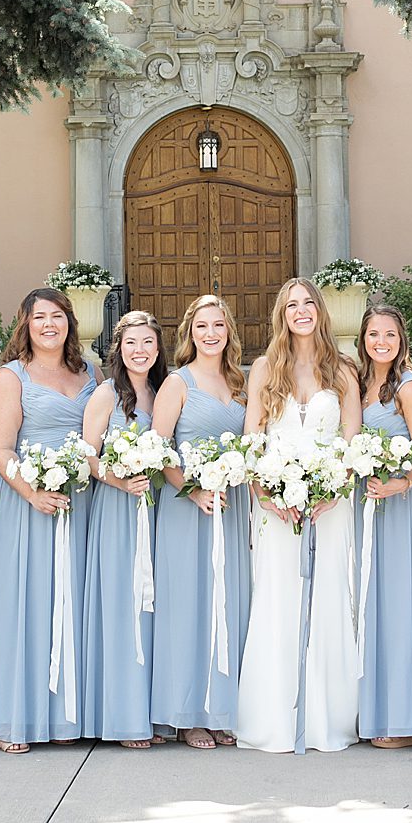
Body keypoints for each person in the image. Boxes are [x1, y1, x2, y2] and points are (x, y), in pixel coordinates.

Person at [0, 287, 99, 752]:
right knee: (26, 603)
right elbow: (0, 449)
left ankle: (64, 718)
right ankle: (14, 718)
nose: (49, 324)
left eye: (58, 315)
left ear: (69, 323)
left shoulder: (90, 373)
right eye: (39, 316)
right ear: (25, 323)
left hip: (80, 503)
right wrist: (33, 491)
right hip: (26, 505)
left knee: (73, 602)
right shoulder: (10, 377)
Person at [237, 277, 362, 753]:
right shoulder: (267, 368)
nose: (302, 311)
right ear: (282, 315)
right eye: (292, 305)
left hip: (329, 508)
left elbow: (351, 443)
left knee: (329, 596)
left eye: (309, 302)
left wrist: (333, 490)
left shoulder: (343, 370)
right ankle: (274, 717)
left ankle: (327, 717)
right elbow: (253, 438)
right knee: (277, 597)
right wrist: (263, 491)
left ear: (321, 311)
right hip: (276, 508)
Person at [150, 295, 251, 750]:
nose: (210, 334)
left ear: (229, 331)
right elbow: (159, 447)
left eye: (218, 325)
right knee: (187, 607)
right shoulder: (178, 382)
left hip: (232, 508)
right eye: (201, 326)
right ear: (190, 333)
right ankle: (187, 714)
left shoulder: (241, 382)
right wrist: (191, 489)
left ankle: (220, 709)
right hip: (187, 508)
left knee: (228, 603)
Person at [354, 304, 412, 748]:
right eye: (373, 334)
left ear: (401, 339)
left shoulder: (408, 387)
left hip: (400, 507)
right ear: (363, 338)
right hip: (364, 506)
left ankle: (407, 719)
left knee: (400, 604)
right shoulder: (358, 383)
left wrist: (402, 481)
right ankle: (376, 710)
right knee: (372, 606)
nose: (381, 342)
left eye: (390, 334)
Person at [80, 311, 169, 747]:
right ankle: (123, 716)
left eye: (148, 343)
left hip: (158, 512)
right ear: (119, 348)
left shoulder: (163, 392)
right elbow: (87, 454)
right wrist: (119, 477)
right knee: (122, 607)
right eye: (132, 343)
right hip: (118, 511)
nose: (141, 351)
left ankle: (154, 711)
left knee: (156, 609)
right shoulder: (105, 395)